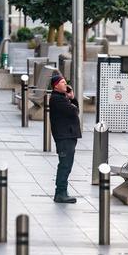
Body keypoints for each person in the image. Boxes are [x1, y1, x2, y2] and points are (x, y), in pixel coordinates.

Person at [49, 73, 81, 204]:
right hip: (64, 137)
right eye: (62, 82)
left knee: (67, 164)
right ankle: (60, 192)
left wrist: (72, 98)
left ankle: (63, 191)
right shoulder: (57, 99)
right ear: (56, 86)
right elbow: (74, 112)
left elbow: (75, 109)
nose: (65, 85)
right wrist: (71, 101)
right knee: (65, 165)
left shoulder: (62, 98)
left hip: (67, 135)